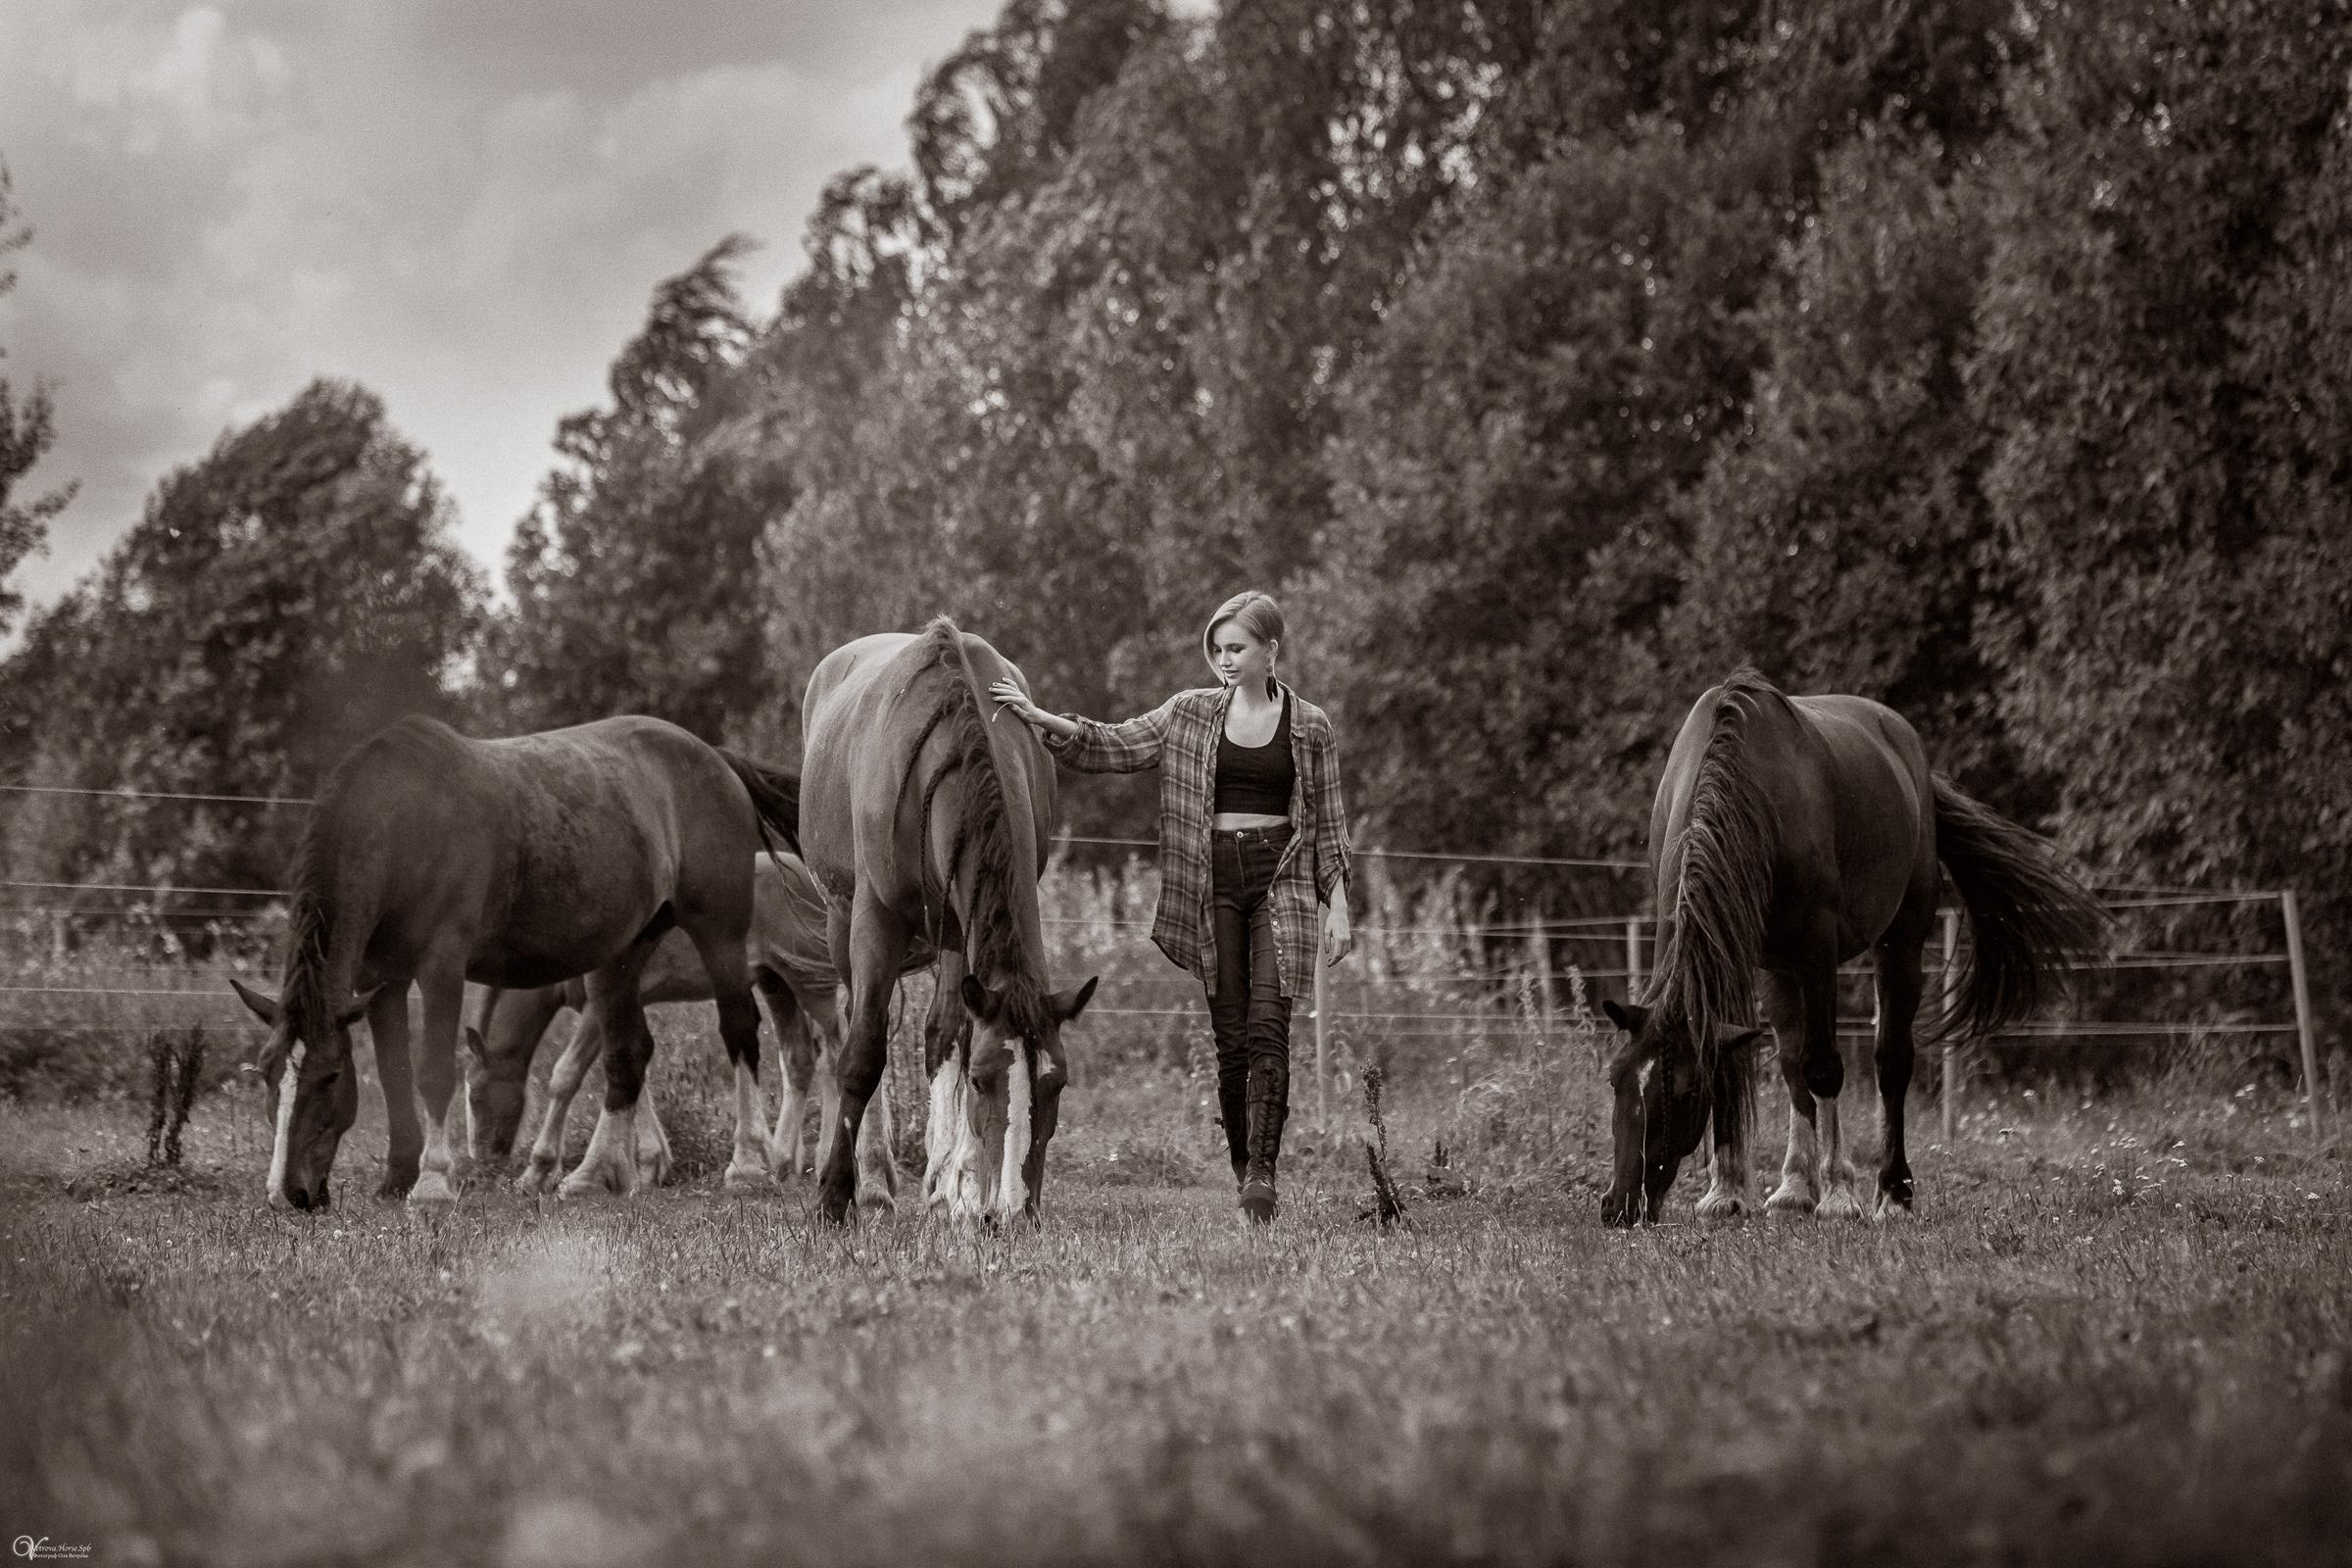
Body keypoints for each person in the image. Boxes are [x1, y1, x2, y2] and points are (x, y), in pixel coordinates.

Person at [990, 590, 1353, 1222]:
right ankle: (1244, 1163)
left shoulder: (1311, 726)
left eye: (1237, 647)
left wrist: (1340, 904)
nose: (1224, 659)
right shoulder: (1189, 713)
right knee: (1232, 1039)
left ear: (1272, 650)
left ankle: (1263, 1178)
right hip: (1212, 882)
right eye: (1217, 649)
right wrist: (1038, 718)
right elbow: (1116, 744)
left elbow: (1328, 824)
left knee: (1271, 1027)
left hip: (1284, 878)